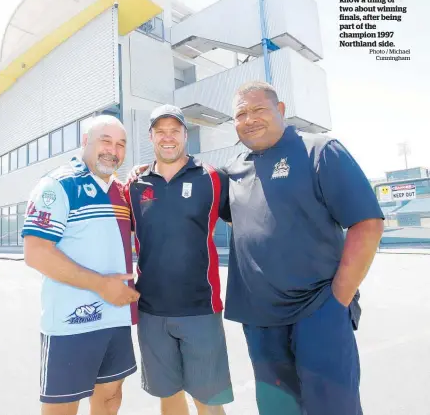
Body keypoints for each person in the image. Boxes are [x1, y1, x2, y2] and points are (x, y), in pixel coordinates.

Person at [223, 81, 385, 415]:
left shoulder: (319, 150)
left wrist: (338, 299)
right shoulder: (234, 171)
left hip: (318, 312)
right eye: (241, 114)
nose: (249, 119)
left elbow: (367, 223)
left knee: (332, 408)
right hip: (261, 320)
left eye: (258, 109)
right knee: (278, 410)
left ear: (280, 110)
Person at [23, 115, 140, 415]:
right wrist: (102, 285)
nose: (113, 150)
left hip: (116, 319)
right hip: (70, 324)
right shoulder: (58, 185)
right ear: (85, 141)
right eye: (105, 140)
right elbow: (36, 252)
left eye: (120, 144)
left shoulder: (122, 192)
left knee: (111, 397)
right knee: (62, 406)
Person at [125, 104, 234, 415]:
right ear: (150, 136)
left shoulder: (212, 178)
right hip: (151, 312)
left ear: (186, 134)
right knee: (169, 397)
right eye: (161, 131)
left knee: (210, 401)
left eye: (175, 130)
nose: (168, 137)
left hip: (200, 309)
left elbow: (247, 221)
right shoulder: (135, 185)